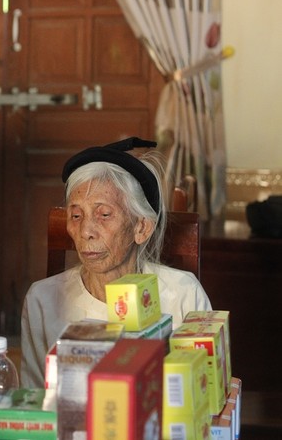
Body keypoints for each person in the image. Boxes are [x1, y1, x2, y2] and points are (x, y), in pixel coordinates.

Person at [20, 137, 211, 388]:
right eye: (76, 215)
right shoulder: (42, 300)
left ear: (141, 227)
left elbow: (206, 396)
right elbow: (34, 405)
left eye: (104, 215)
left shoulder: (182, 294)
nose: (86, 230)